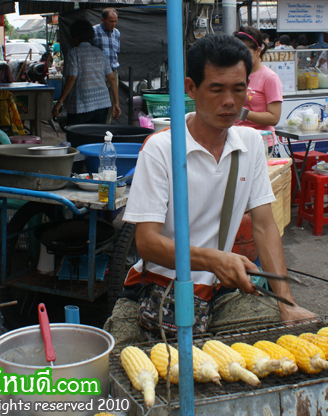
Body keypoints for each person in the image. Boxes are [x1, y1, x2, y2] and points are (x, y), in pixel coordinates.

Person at [104, 34, 314, 346]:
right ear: (191, 88)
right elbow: (147, 243)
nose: (229, 101)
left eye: (238, 89)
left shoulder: (252, 145)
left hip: (219, 293)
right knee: (122, 363)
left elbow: (265, 225)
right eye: (216, 89)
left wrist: (287, 303)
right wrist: (214, 259)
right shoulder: (162, 148)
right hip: (156, 290)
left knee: (282, 338)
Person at [52, 19, 121, 126]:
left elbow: (72, 78)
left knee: (77, 137)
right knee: (97, 137)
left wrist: (59, 102)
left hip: (81, 105)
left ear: (75, 38)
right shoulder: (100, 53)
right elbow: (112, 79)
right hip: (103, 104)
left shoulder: (73, 53)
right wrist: (116, 103)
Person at [234, 26, 283, 156]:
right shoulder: (236, 75)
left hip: (263, 145)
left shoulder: (269, 78)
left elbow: (274, 117)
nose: (241, 58)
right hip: (238, 141)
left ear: (258, 51)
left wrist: (241, 113)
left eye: (245, 53)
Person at [93, 8, 120, 124]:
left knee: (113, 103)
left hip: (113, 71)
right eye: (110, 21)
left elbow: (116, 52)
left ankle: (106, 127)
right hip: (99, 73)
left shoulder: (117, 33)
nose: (113, 24)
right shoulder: (94, 31)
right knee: (98, 103)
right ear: (102, 20)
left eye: (115, 21)